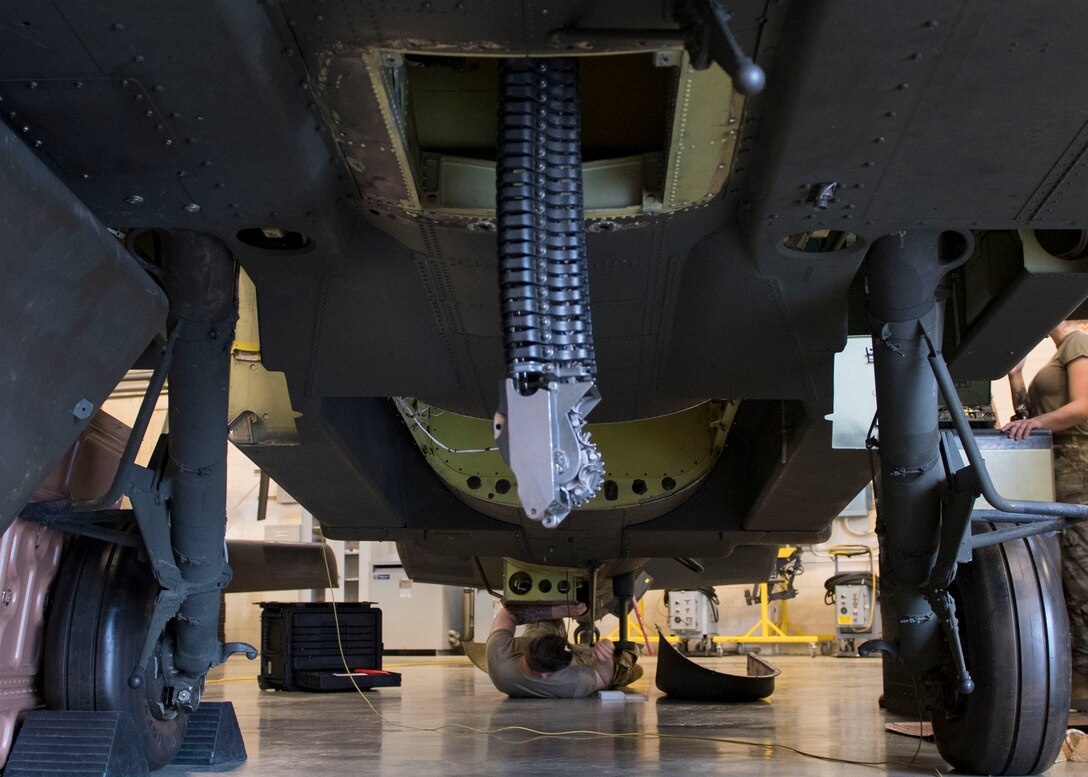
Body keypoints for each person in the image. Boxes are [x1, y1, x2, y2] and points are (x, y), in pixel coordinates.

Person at [1003, 319, 1088, 711]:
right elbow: (1029, 416)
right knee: (1070, 577)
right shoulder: (1055, 352)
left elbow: (1083, 407)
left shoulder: (1076, 341)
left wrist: (1034, 422)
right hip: (1058, 470)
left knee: (1082, 577)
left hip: (1078, 467)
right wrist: (1016, 377)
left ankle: (1084, 681)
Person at [485, 601, 642, 698]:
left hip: (534, 657)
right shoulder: (571, 684)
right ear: (546, 675)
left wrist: (561, 610)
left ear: (529, 648)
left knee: (541, 616)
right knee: (629, 660)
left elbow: (508, 612)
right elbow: (603, 679)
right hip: (581, 664)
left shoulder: (500, 653)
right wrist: (605, 659)